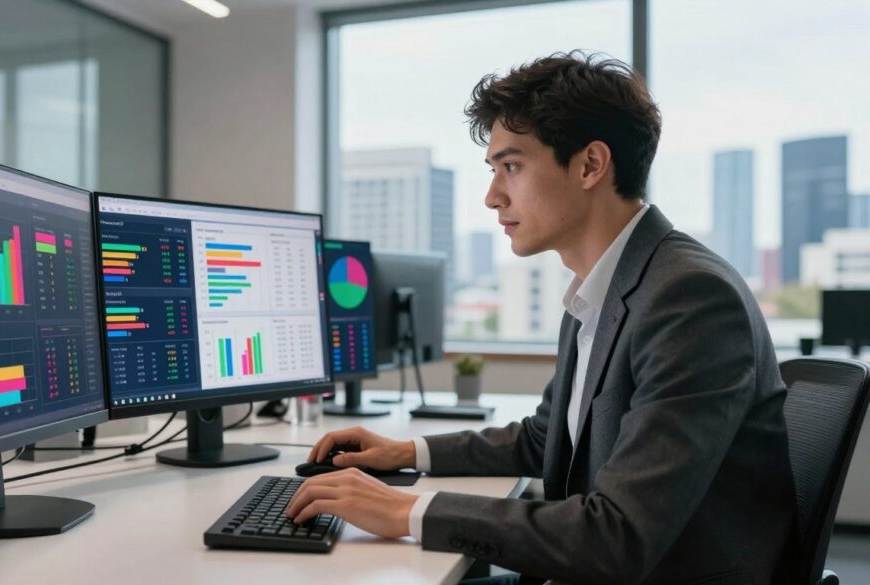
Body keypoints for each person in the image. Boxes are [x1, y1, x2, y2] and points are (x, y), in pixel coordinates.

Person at [286, 51, 795, 585]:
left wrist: (405, 511)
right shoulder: (601, 286)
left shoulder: (688, 299)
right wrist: (408, 451)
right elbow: (544, 438)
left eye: (512, 166)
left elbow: (617, 536)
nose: (491, 196)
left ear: (590, 165)